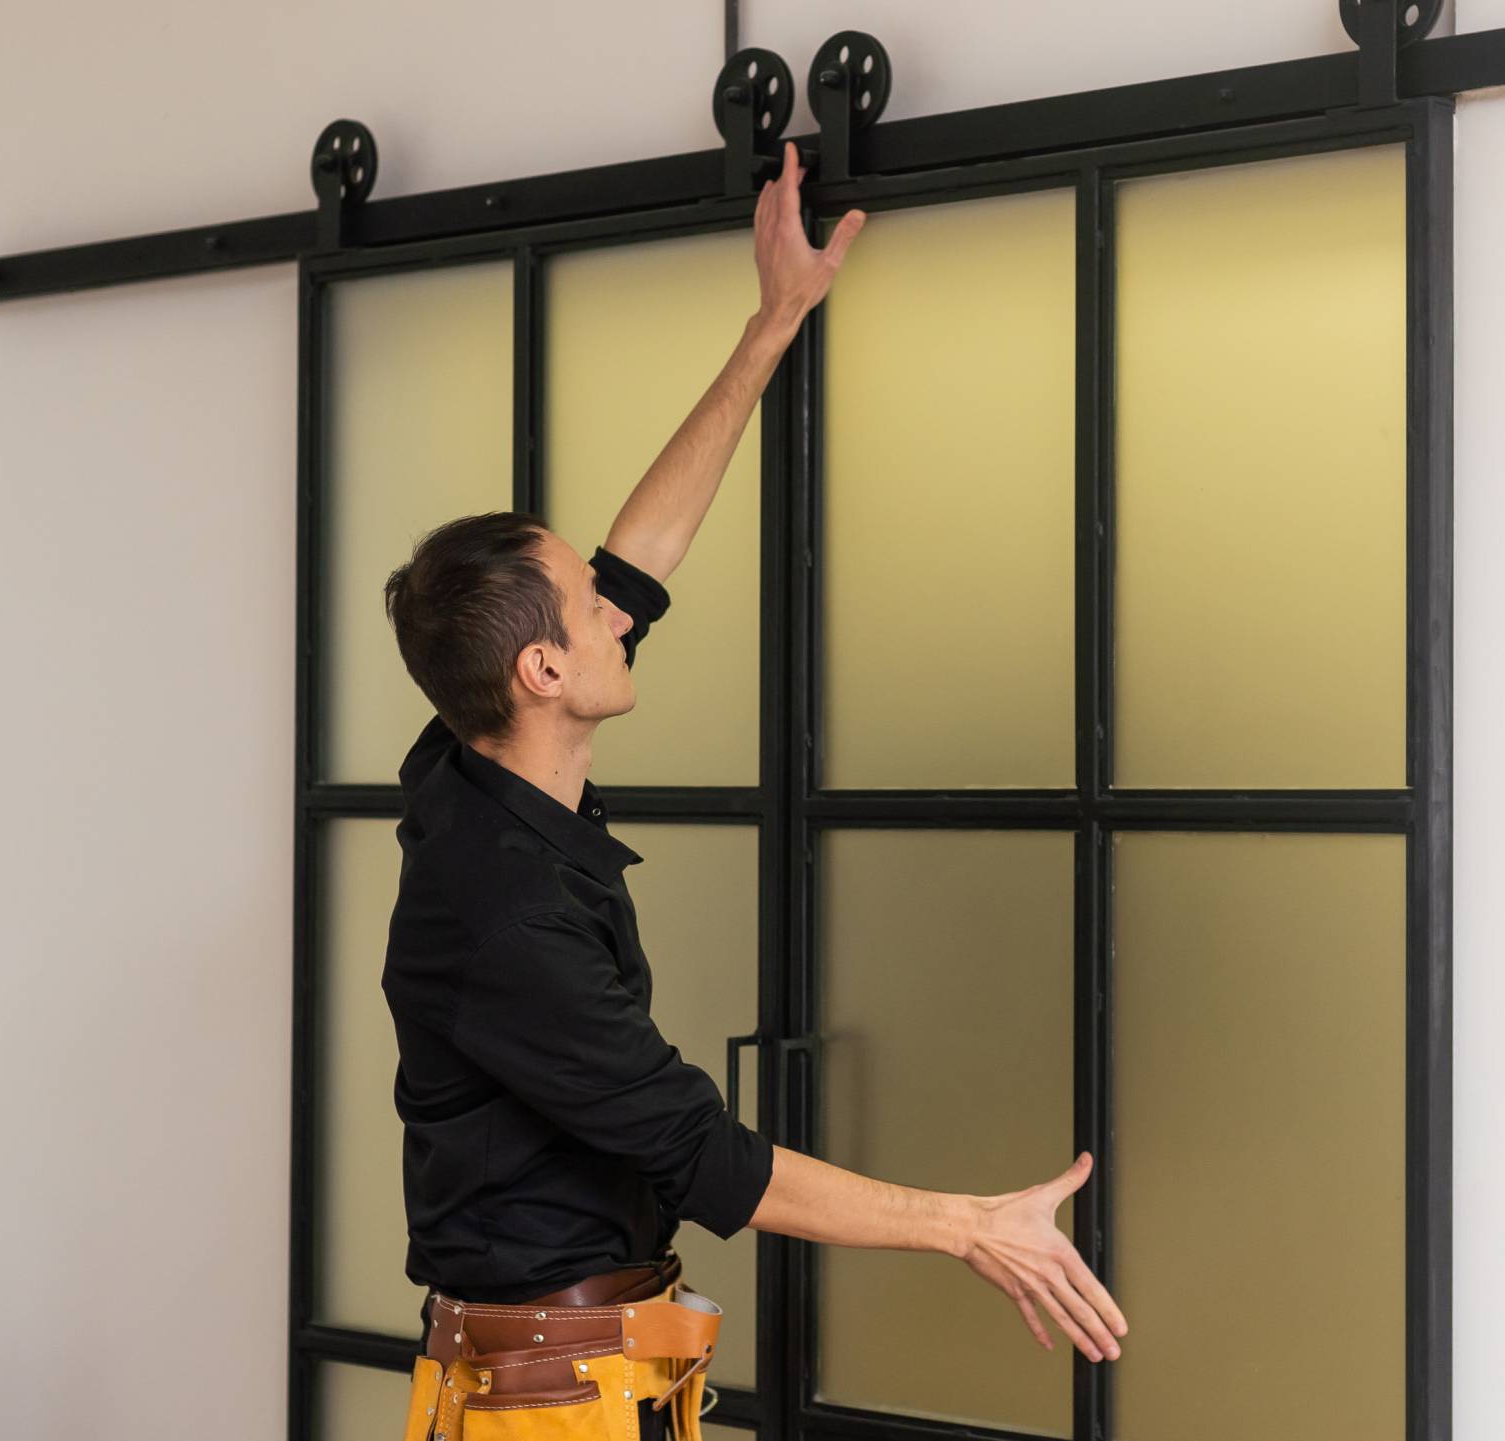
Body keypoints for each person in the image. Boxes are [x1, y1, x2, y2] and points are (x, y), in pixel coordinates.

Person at [376, 142, 1127, 1441]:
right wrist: (972, 1225)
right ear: (543, 669)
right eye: (586, 605)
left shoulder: (475, 755)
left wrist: (774, 319)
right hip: (541, 1402)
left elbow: (640, 556)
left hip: (596, 1361)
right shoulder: (499, 920)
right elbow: (707, 1153)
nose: (620, 609)